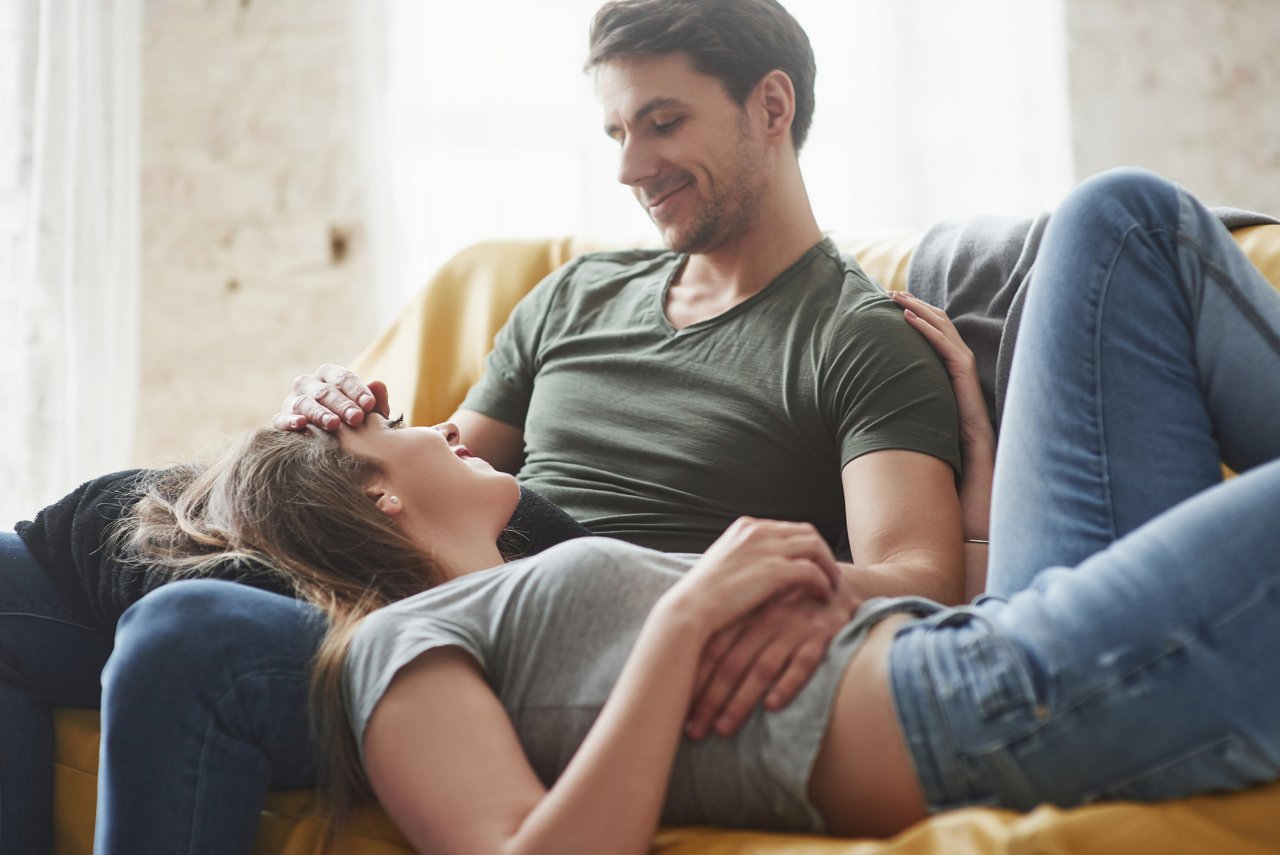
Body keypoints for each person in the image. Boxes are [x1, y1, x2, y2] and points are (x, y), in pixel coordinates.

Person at [3, 2, 966, 851]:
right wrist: (326, 424)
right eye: (618, 132)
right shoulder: (578, 294)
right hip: (409, 585)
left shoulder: (857, 339)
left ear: (772, 106)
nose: (632, 166)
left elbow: (924, 582)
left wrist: (706, 591)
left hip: (540, 649)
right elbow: (437, 476)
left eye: (663, 122)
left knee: (184, 622)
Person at [116, 168, 1280, 853]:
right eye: (400, 433)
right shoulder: (387, 650)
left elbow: (943, 582)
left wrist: (976, 445)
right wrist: (678, 631)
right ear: (377, 493)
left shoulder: (522, 577)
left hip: (983, 637)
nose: (432, 421)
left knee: (1120, 217)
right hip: (984, 706)